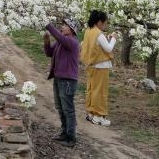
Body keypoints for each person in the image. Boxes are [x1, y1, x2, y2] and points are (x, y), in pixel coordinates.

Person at [44, 17, 81, 147]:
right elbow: (49, 53)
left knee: (68, 109)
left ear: (72, 29)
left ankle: (71, 138)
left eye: (66, 25)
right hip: (59, 78)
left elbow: (59, 37)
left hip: (68, 81)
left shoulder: (72, 42)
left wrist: (47, 24)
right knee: (60, 107)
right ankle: (65, 133)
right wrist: (46, 42)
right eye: (63, 25)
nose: (62, 27)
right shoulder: (62, 42)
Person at [81, 9, 116, 126]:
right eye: (105, 23)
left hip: (92, 65)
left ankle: (91, 113)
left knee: (91, 89)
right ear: (100, 22)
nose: (105, 25)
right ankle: (99, 116)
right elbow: (108, 48)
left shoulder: (88, 31)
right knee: (100, 92)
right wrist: (114, 38)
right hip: (101, 66)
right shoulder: (98, 34)